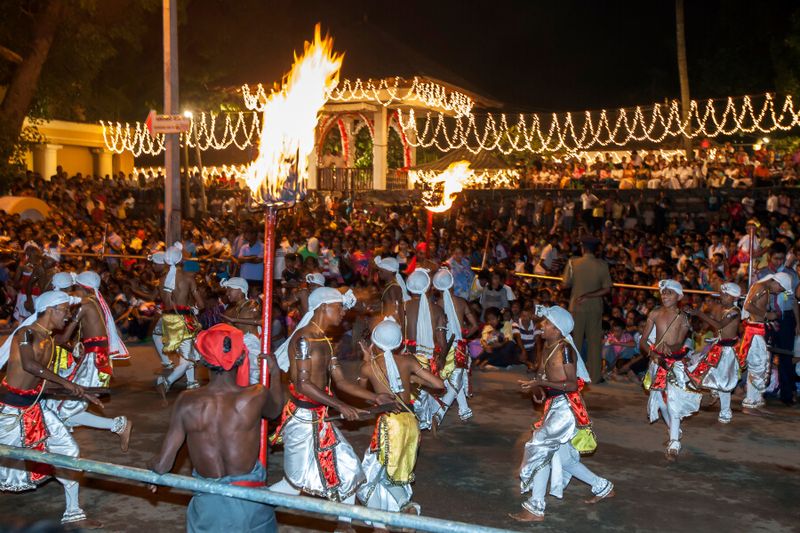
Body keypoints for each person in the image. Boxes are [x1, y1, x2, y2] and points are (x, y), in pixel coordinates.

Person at [270, 287, 390, 533]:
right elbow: (303, 384)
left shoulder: (324, 340)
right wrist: (340, 405)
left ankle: (345, 524)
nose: (343, 313)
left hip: (319, 419)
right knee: (293, 485)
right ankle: (241, 502)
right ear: (324, 307)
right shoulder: (303, 339)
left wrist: (374, 396)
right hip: (302, 419)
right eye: (339, 307)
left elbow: (342, 382)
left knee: (350, 470)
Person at [149, 323, 282, 533]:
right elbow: (275, 411)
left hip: (208, 509)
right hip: (250, 505)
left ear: (203, 360)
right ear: (241, 357)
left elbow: (163, 464)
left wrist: (153, 473)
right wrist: (275, 374)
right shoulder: (255, 395)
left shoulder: (187, 401)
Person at [0, 291, 103, 529]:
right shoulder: (25, 334)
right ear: (51, 309)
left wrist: (79, 390)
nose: (68, 316)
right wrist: (68, 383)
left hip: (33, 409)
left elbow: (39, 381)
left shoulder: (49, 341)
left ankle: (74, 512)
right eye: (65, 310)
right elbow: (29, 365)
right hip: (7, 409)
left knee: (68, 451)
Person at [512, 305, 613, 523]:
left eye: (547, 323)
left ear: (558, 330)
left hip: (566, 408)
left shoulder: (564, 349)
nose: (542, 326)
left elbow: (570, 385)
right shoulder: (546, 345)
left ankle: (535, 508)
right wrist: (537, 391)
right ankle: (602, 487)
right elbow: (542, 374)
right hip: (554, 405)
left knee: (539, 448)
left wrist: (541, 383)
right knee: (565, 459)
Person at [355, 317, 444, 529]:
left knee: (365, 478)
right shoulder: (408, 361)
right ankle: (407, 508)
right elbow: (439, 384)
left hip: (390, 424)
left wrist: (366, 361)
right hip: (410, 422)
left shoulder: (370, 367)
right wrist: (413, 379)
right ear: (399, 342)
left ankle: (380, 525)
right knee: (396, 475)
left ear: (374, 342)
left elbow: (363, 394)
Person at [46, 271, 132, 451]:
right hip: (95, 358)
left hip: (94, 361)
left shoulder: (85, 304)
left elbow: (63, 338)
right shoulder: (96, 302)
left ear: (81, 287)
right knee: (67, 406)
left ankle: (117, 425)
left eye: (75, 287)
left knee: (65, 409)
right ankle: (116, 425)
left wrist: (44, 339)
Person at [641, 280, 700, 461]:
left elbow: (679, 343)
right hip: (657, 362)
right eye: (663, 292)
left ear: (679, 296)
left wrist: (670, 347)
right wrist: (652, 353)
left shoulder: (683, 318)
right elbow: (643, 340)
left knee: (673, 401)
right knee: (660, 401)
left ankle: (674, 442)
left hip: (674, 362)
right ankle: (673, 428)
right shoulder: (655, 313)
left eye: (670, 293)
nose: (665, 295)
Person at [686, 282, 742, 423]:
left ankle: (725, 411)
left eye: (725, 295)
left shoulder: (735, 311)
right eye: (721, 295)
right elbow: (719, 330)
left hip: (728, 350)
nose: (721, 298)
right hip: (720, 347)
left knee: (723, 381)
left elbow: (719, 326)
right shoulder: (724, 310)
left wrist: (700, 313)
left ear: (734, 298)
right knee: (701, 371)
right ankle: (712, 394)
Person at [740, 272, 796, 413]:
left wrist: (766, 318)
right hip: (754, 330)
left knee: (761, 366)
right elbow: (747, 305)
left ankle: (756, 401)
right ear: (777, 283)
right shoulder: (761, 287)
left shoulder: (764, 289)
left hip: (758, 329)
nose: (779, 292)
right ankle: (750, 402)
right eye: (781, 289)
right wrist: (767, 315)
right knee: (757, 366)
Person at [431, 268, 479, 425]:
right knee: (455, 381)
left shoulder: (436, 305)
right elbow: (474, 325)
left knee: (453, 380)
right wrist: (462, 336)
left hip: (442, 345)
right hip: (458, 347)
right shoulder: (461, 302)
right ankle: (439, 414)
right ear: (452, 284)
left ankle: (464, 410)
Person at [155, 245, 204, 399]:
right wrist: (195, 308)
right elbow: (201, 304)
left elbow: (165, 301)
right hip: (183, 321)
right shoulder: (188, 278)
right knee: (187, 358)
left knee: (186, 353)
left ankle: (191, 381)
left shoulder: (161, 280)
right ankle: (166, 382)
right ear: (181, 260)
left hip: (167, 320)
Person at [562, 236, 612, 382]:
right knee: (594, 342)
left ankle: (572, 375)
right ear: (596, 249)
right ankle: (595, 376)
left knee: (574, 341)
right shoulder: (602, 265)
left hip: (576, 306)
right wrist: (590, 294)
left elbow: (565, 284)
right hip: (595, 307)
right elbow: (607, 289)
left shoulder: (573, 263)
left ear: (583, 248)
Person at [756, 242, 800, 406]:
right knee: (764, 356)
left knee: (786, 356)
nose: (779, 262)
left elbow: (794, 300)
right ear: (769, 257)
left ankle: (787, 394)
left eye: (782, 259)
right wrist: (765, 315)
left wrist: (798, 323)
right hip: (766, 317)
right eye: (775, 258)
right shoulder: (762, 274)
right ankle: (761, 391)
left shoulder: (791, 274)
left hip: (787, 317)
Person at [403, 269, 446, 431]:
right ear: (428, 288)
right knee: (426, 388)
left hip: (405, 355)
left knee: (409, 389)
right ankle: (424, 421)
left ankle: (414, 420)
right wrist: (441, 357)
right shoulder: (437, 310)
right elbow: (441, 340)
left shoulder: (403, 306)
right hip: (427, 357)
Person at [220, 276, 263, 385]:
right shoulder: (229, 310)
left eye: (230, 289)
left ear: (240, 290)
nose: (227, 293)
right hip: (238, 348)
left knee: (253, 381)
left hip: (252, 349)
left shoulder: (252, 304)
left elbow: (261, 321)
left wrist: (234, 320)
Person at [374, 256, 410, 326]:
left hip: (391, 323)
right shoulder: (390, 285)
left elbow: (395, 310)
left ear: (389, 272)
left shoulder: (394, 287)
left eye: (381, 271)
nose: (378, 272)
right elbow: (387, 299)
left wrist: (387, 323)